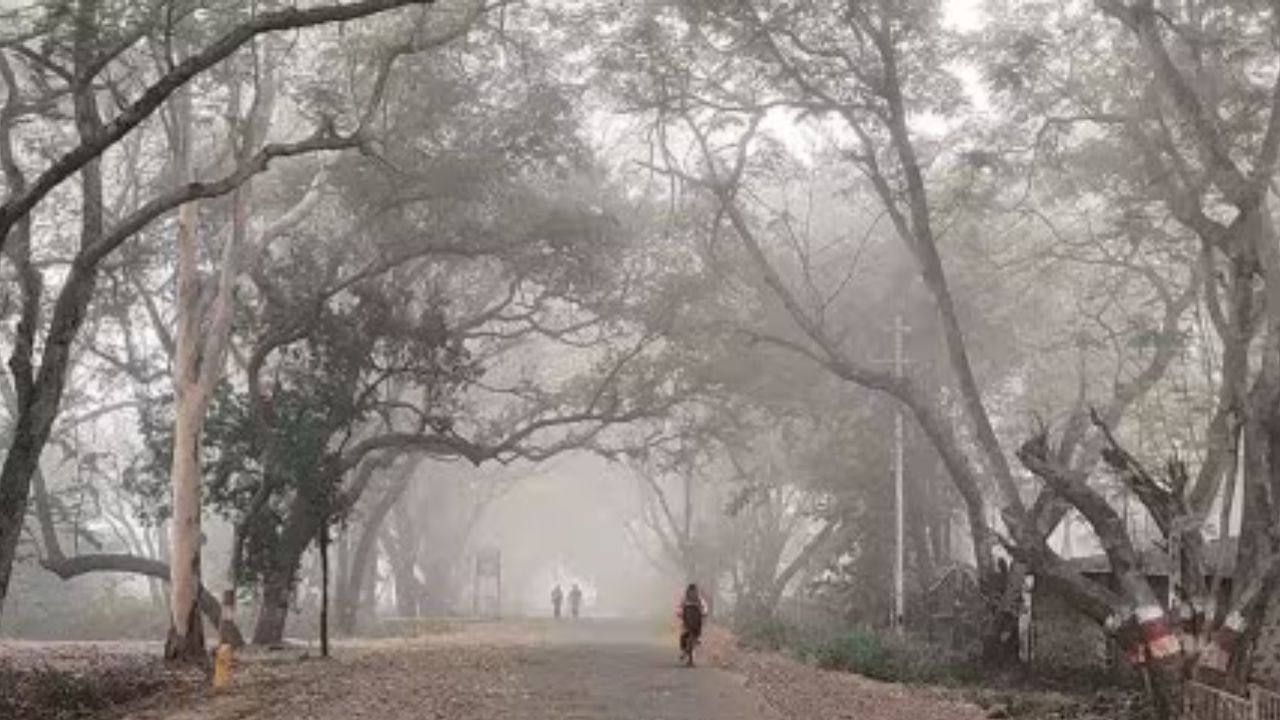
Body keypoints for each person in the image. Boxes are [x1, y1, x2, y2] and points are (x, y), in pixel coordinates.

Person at [676, 582, 708, 666]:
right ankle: (683, 650)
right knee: (683, 636)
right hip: (687, 621)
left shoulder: (700, 599)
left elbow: (705, 607)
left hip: (697, 621)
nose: (692, 593)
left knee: (696, 637)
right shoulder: (684, 599)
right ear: (688, 591)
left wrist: (704, 613)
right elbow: (679, 607)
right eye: (691, 591)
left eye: (694, 591)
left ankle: (691, 658)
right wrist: (679, 613)